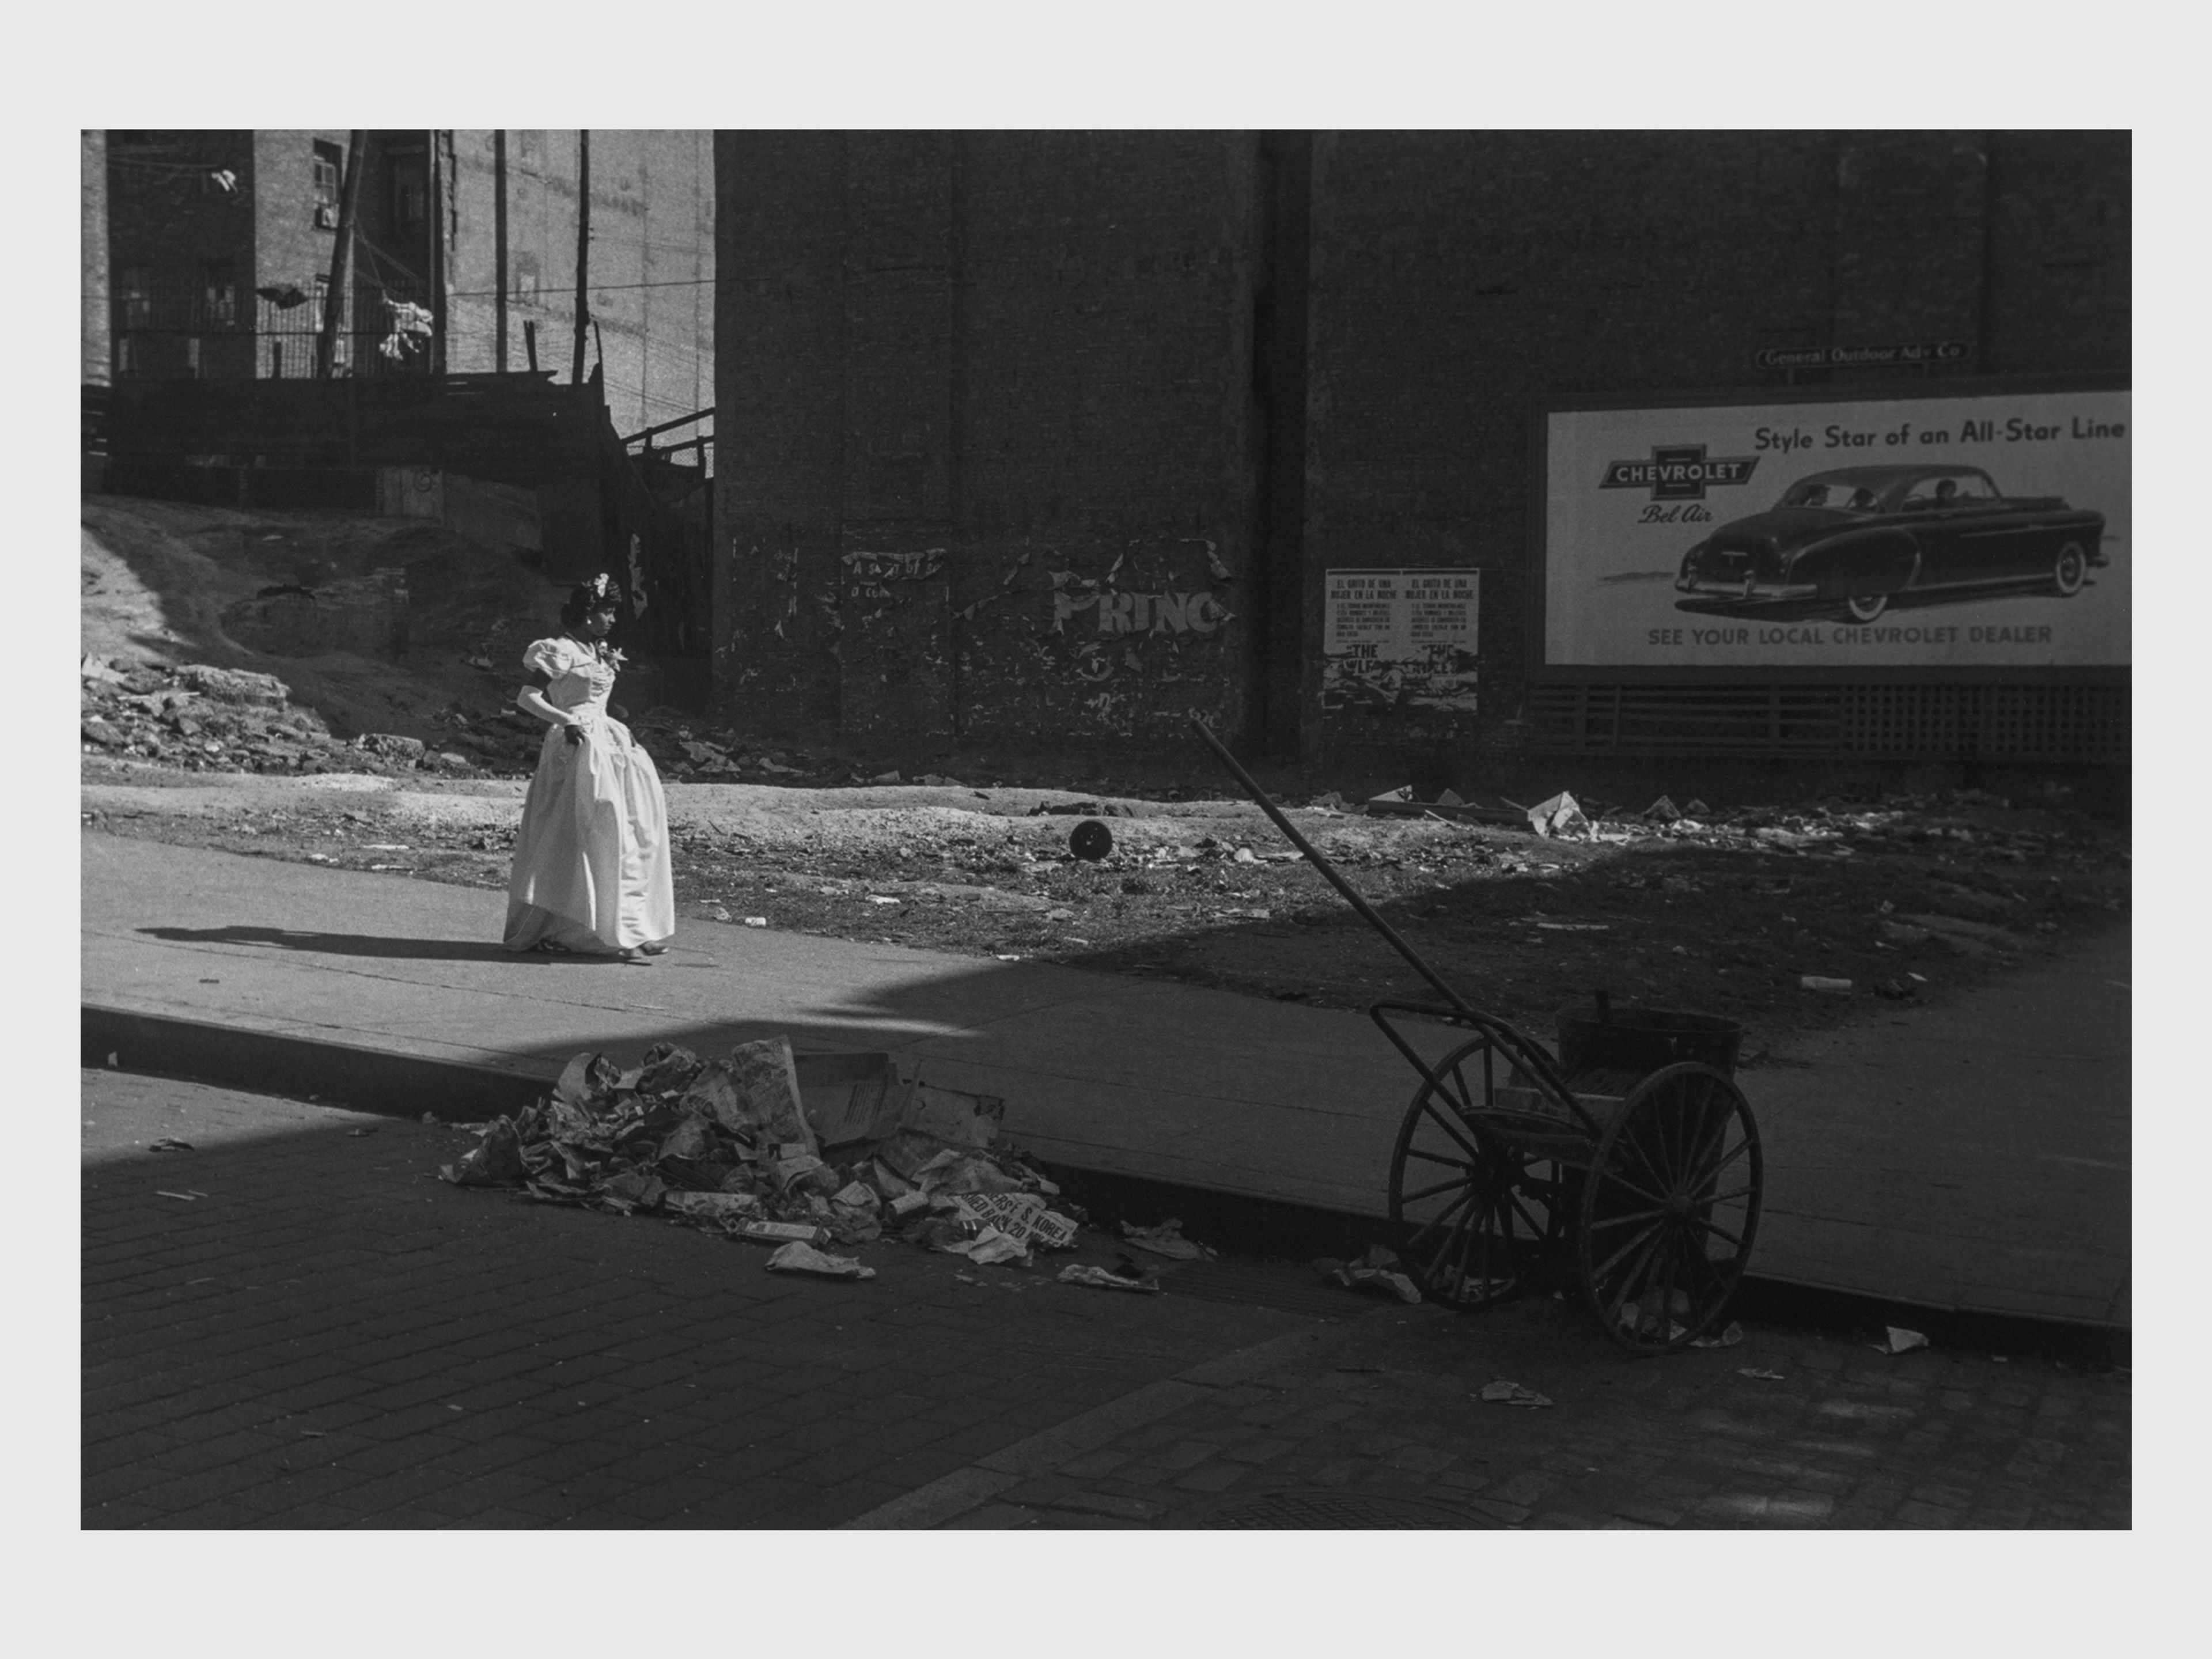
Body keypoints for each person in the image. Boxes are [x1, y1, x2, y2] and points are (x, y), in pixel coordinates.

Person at [503, 574, 675, 964]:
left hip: (607, 740)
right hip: (576, 744)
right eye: (607, 611)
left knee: (634, 827)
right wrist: (566, 721)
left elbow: (597, 697)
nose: (613, 619)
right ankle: (575, 928)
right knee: (589, 830)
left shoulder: (596, 650)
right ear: (587, 613)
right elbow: (527, 697)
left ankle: (632, 925)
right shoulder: (560, 650)